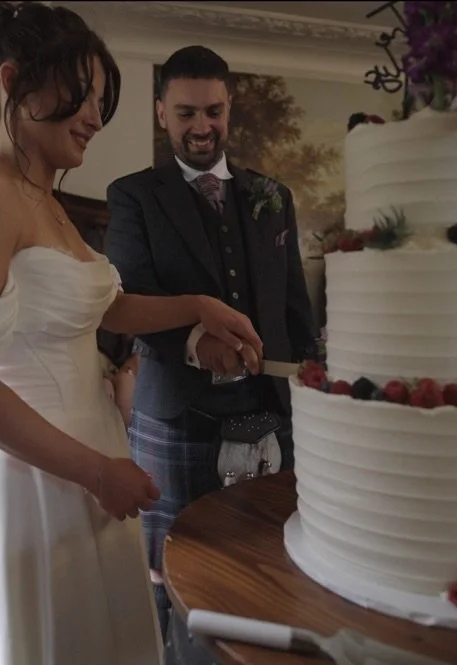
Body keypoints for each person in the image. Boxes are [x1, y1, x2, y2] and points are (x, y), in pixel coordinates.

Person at [0, 5, 263, 664]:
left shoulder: (47, 203)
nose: (96, 115)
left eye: (100, 99)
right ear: (14, 81)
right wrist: (97, 471)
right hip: (25, 477)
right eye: (83, 95)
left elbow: (102, 308)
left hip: (92, 466)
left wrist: (198, 304)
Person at [104, 45, 317, 641]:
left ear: (231, 109)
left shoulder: (273, 195)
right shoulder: (133, 196)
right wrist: (197, 342)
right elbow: (128, 299)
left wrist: (316, 381)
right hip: (178, 417)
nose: (202, 127)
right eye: (186, 113)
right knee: (174, 578)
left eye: (214, 111)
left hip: (273, 413)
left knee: (270, 565)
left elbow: (295, 305)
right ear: (160, 113)